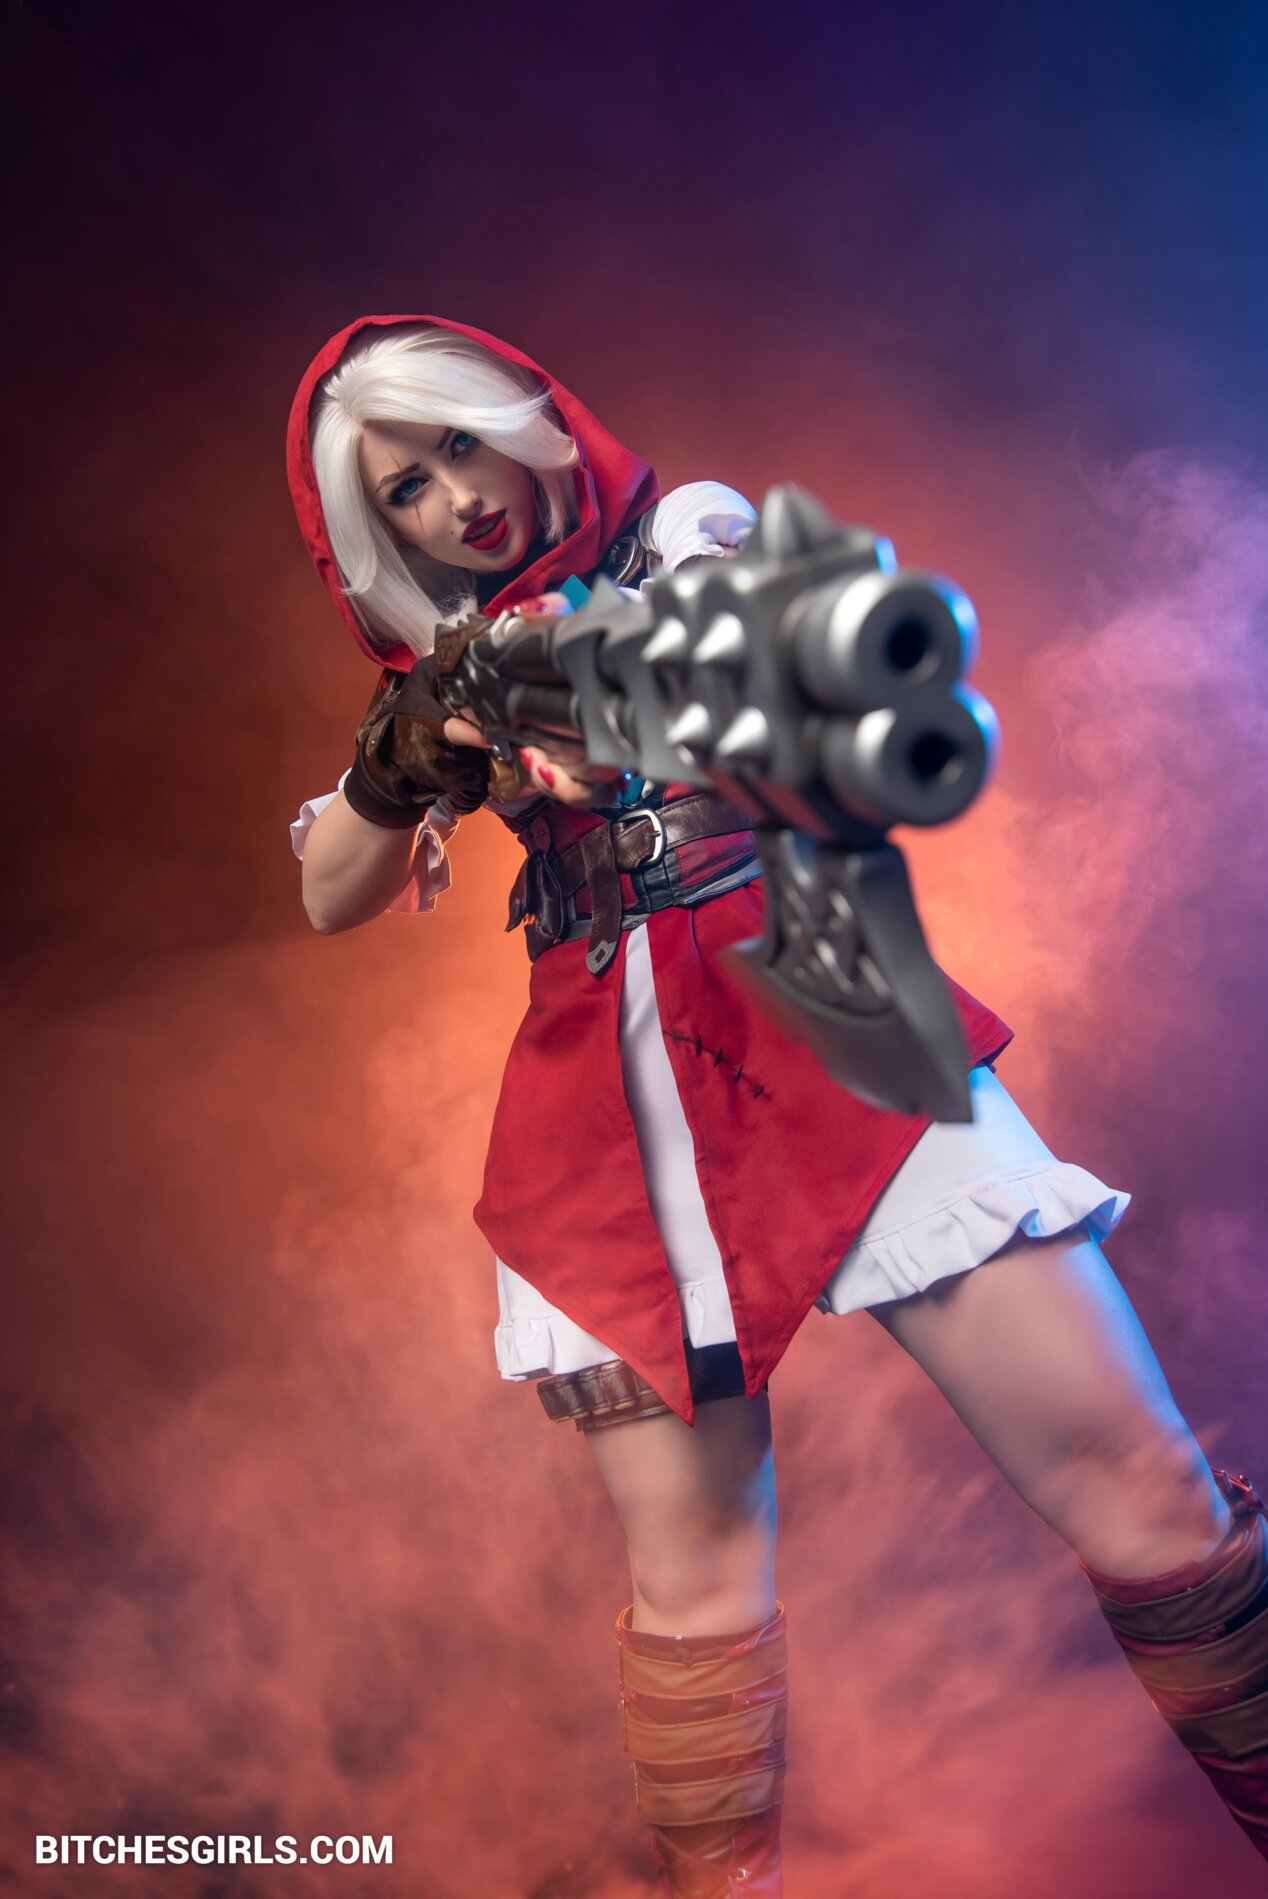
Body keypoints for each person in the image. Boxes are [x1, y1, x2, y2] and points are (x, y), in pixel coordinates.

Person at [287, 315, 1267, 1893]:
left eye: (462, 442)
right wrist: (401, 759)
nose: (454, 497)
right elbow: (334, 888)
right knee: (695, 1600)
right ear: (374, 533)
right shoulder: (442, 674)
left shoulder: (688, 533)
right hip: (607, 1086)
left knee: (1147, 1491)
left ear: (527, 416)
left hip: (814, 1010)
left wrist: (559, 678)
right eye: (404, 488)